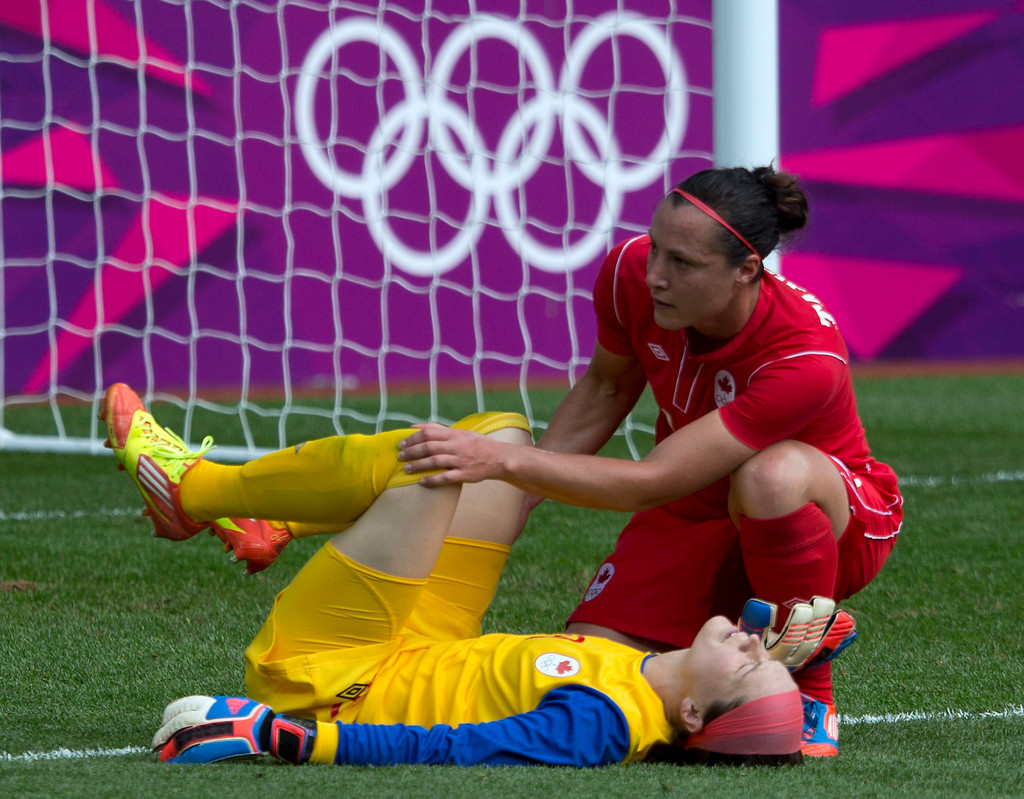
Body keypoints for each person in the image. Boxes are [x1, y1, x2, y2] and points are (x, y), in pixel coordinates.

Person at [395, 165, 904, 757]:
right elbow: (606, 391)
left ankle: (807, 675)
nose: (655, 275)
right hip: (697, 505)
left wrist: (506, 463)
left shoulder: (805, 359)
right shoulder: (628, 273)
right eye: (655, 248)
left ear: (746, 271)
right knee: (585, 675)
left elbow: (651, 481)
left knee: (771, 474)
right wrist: (513, 503)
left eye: (681, 263)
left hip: (834, 523)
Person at [102, 382, 808, 768]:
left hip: (338, 680)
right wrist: (812, 645)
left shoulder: (602, 726)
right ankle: (273, 520)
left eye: (748, 669)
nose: (752, 645)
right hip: (426, 640)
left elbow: (452, 747)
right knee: (498, 440)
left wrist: (288, 736)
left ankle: (196, 490)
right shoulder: (655, 674)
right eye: (762, 653)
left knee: (434, 468)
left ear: (692, 716)